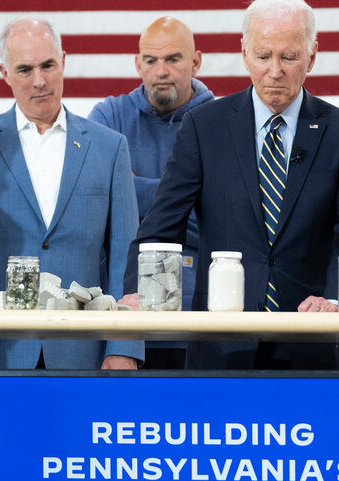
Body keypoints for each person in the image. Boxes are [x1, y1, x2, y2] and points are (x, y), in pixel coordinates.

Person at [126, 0, 339, 370]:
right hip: (220, 345)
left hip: (312, 340)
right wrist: (140, 288)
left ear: (311, 56)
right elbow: (162, 224)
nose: (275, 71)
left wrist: (337, 300)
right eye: (263, 56)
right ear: (244, 54)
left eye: (289, 57)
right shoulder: (203, 127)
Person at [0, 18, 142, 370]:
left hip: (83, 350)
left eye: (48, 65)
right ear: (5, 73)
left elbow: (124, 258)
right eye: (25, 70)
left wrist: (124, 346)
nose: (39, 80)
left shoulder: (110, 147)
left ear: (64, 62)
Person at [88, 17, 215, 369]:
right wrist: (186, 195)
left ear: (196, 62)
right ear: (137, 64)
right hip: (121, 316)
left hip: (199, 319)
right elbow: (97, 211)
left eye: (173, 59)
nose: (161, 71)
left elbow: (222, 224)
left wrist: (129, 188)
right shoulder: (108, 116)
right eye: (151, 60)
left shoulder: (220, 121)